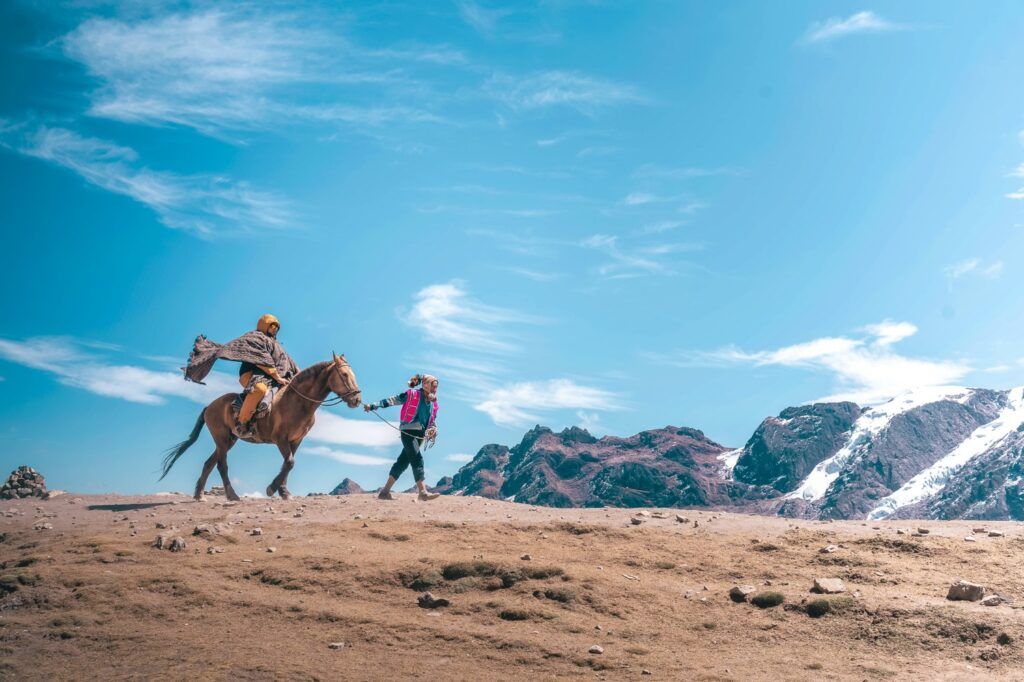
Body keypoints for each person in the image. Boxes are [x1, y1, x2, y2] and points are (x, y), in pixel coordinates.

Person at [182, 314, 298, 433]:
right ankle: (242, 423)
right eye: (273, 325)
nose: (275, 329)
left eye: (277, 327)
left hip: (271, 378)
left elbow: (289, 362)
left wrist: (300, 375)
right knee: (260, 390)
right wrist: (277, 377)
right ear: (265, 324)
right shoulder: (255, 337)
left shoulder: (277, 344)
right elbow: (261, 358)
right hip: (250, 375)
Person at [364, 374, 441, 501]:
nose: (435, 389)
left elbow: (431, 420)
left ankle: (384, 492)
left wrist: (433, 428)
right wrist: (372, 405)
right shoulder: (412, 394)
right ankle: (422, 492)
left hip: (420, 436)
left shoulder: (433, 404)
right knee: (417, 459)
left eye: (436, 387)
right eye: (433, 386)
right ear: (426, 385)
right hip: (408, 432)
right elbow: (393, 400)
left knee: (402, 463)